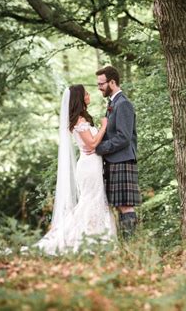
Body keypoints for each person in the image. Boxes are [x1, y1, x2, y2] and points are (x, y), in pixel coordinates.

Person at [34, 85, 116, 255]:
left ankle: (94, 238)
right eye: (85, 93)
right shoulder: (79, 120)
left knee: (95, 201)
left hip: (92, 164)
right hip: (89, 167)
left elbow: (93, 144)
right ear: (80, 98)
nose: (88, 95)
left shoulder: (82, 118)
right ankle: (76, 239)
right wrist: (104, 126)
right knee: (90, 201)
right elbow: (92, 144)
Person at [94, 66, 141, 240]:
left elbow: (124, 137)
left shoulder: (124, 104)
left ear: (112, 82)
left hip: (123, 160)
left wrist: (99, 148)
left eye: (101, 84)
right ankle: (126, 244)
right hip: (114, 160)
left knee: (126, 206)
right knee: (119, 205)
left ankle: (131, 245)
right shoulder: (113, 103)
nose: (99, 87)